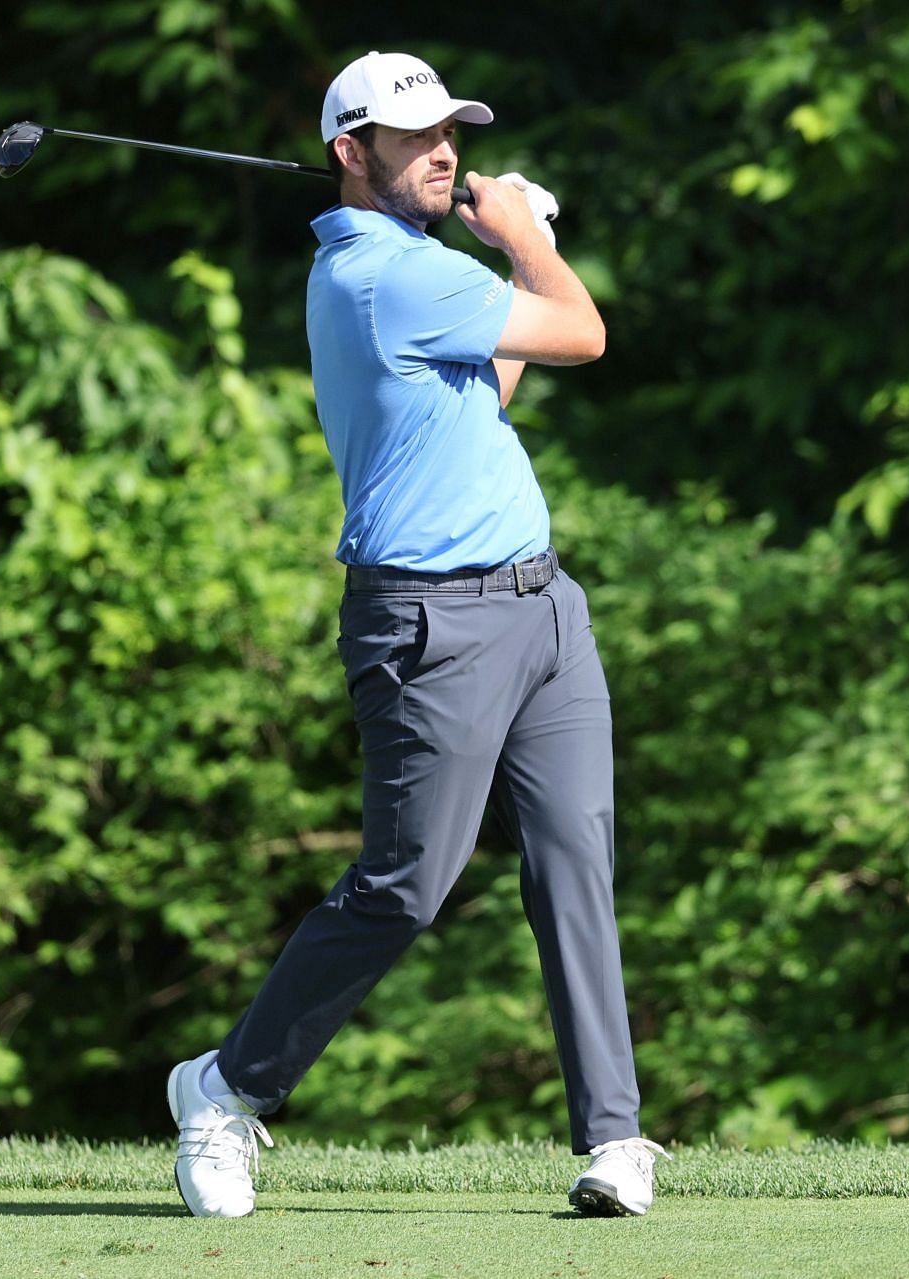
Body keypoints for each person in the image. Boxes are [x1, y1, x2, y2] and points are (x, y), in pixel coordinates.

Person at [167, 49, 666, 1219]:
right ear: (353, 152)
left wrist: (502, 251)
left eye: (450, 131)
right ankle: (228, 1087)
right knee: (406, 883)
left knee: (574, 865)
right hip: (432, 623)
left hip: (544, 609)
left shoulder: (412, 274)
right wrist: (523, 234)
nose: (442, 151)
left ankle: (614, 1137)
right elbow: (583, 331)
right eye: (414, 136)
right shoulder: (387, 275)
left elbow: (492, 387)